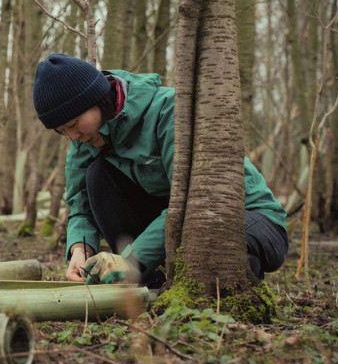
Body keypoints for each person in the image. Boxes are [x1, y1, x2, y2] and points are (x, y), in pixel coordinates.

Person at [32, 53, 288, 286]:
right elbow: (80, 205)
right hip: (180, 230)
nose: (73, 136)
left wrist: (131, 259)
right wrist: (80, 249)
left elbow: (189, 201)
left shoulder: (170, 112)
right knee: (97, 174)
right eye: (63, 131)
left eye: (74, 124)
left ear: (98, 99)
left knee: (215, 256)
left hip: (247, 217)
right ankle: (148, 284)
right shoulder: (83, 140)